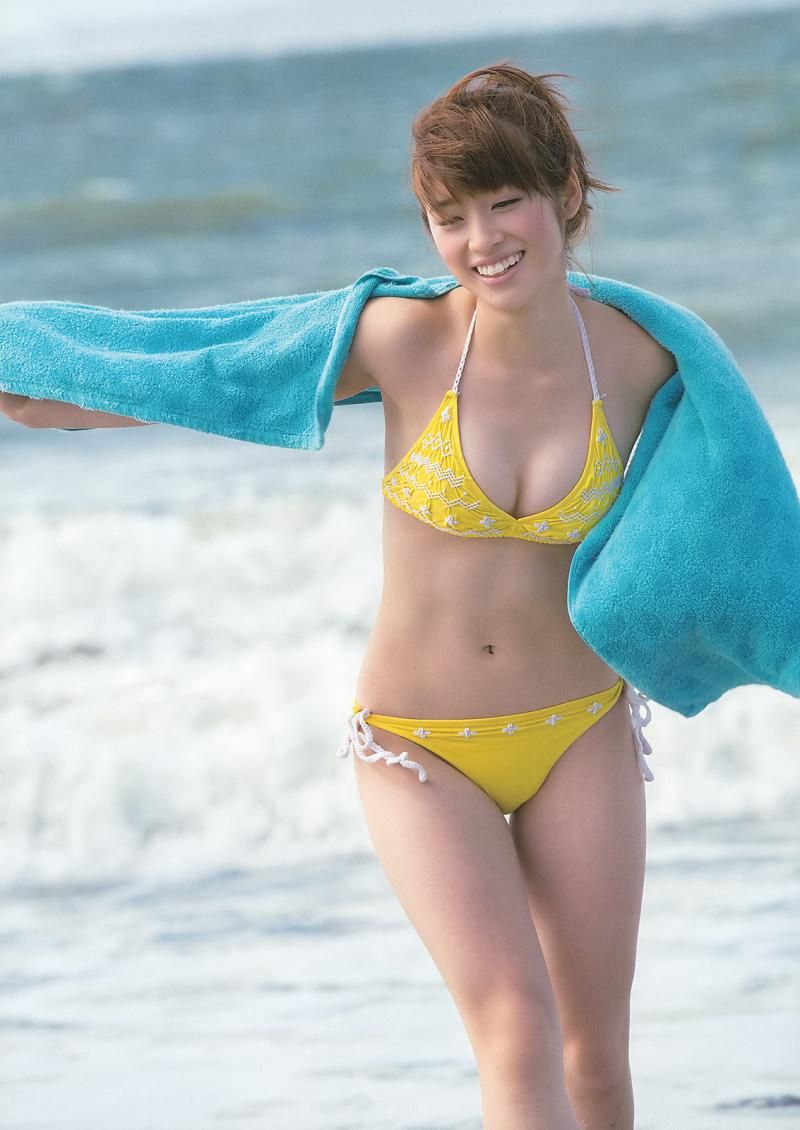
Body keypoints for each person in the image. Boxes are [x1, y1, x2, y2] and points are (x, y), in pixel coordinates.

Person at [0, 64, 769, 1130]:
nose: (480, 239)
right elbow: (207, 366)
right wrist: (45, 391)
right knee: (515, 1027)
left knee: (594, 1056)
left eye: (504, 202)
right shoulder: (403, 342)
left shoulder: (643, 358)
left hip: (579, 729)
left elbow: (739, 510)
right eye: (449, 217)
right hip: (420, 750)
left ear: (564, 194)